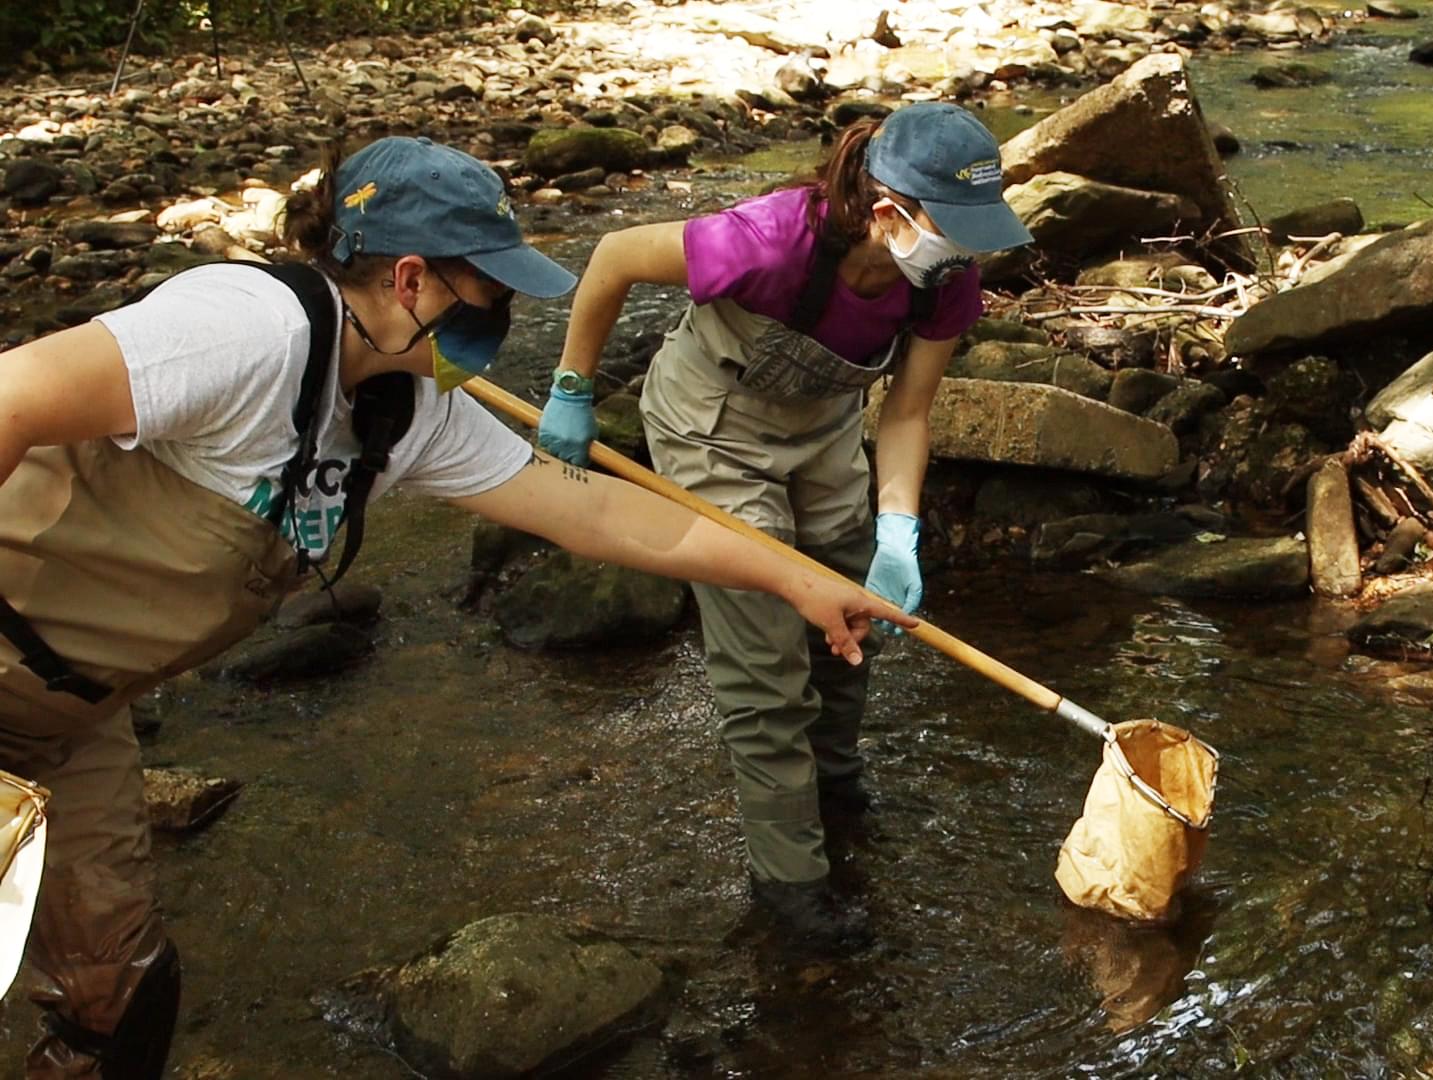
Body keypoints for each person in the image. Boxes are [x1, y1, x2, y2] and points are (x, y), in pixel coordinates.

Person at [0, 135, 908, 1078]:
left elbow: (596, 512)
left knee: (118, 991)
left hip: (80, 719)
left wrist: (793, 576)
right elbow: (11, 397)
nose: (500, 319)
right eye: (488, 295)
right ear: (409, 279)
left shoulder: (405, 411)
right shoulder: (243, 331)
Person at [542, 103, 1032, 950]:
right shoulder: (767, 242)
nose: (971, 254)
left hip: (823, 426)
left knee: (851, 612)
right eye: (959, 233)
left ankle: (833, 783)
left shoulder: (945, 285)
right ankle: (791, 883)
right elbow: (615, 256)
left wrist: (897, 532)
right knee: (767, 651)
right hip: (713, 424)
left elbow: (908, 414)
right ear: (889, 216)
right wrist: (573, 387)